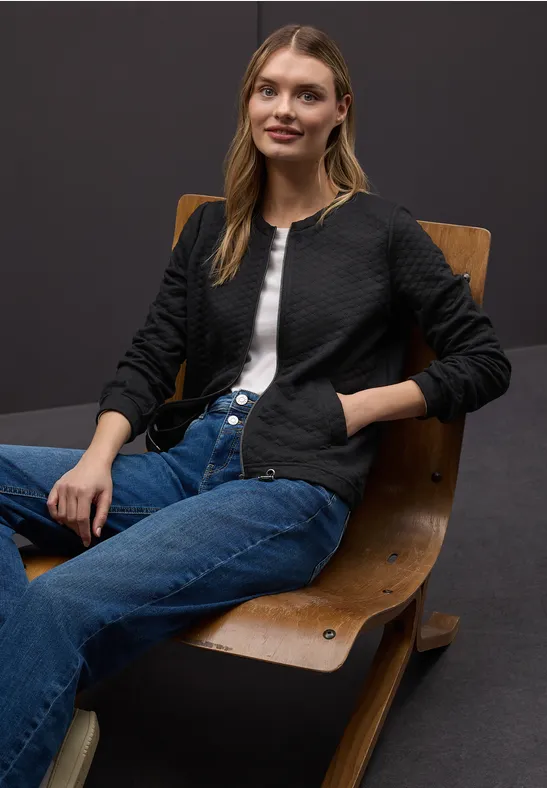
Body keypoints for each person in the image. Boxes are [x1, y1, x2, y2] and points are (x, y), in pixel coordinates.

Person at [0, 23, 511, 788]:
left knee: (61, 600)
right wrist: (97, 459)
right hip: (184, 470)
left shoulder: (382, 231)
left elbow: (483, 361)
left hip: (288, 489)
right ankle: (29, 690)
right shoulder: (214, 228)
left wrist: (356, 410)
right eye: (268, 91)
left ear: (339, 110)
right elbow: (150, 355)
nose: (284, 109)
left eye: (307, 95)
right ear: (247, 102)